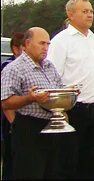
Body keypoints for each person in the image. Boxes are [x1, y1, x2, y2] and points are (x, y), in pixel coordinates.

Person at [48, 0, 94, 179]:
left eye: (90, 11)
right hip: (73, 110)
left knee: (92, 163)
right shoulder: (62, 41)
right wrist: (59, 111)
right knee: (68, 162)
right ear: (70, 14)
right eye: (84, 11)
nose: (89, 15)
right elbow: (52, 77)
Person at [0, 28, 65, 179]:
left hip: (52, 127)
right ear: (27, 44)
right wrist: (30, 98)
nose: (46, 48)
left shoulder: (49, 66)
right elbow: (5, 102)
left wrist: (68, 96)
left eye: (48, 44)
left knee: (52, 173)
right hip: (28, 129)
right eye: (42, 43)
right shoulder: (14, 69)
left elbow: (59, 90)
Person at [1, 32, 25, 180]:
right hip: (10, 121)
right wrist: (14, 123)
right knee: (11, 159)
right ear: (16, 49)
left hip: (26, 120)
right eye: (25, 47)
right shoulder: (7, 67)